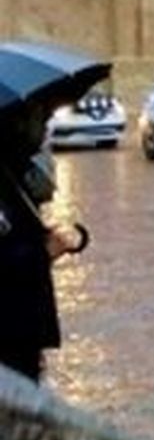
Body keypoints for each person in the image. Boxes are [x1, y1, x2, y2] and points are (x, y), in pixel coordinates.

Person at [0, 109, 89, 383]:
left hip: (22, 328)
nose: (45, 127)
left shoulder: (10, 171)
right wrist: (41, 252)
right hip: (8, 330)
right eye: (39, 119)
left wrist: (38, 236)